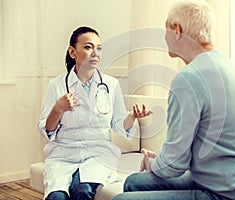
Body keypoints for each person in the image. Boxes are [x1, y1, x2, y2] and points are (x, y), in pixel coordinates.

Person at [112, 1, 235, 200]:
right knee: (133, 182)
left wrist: (154, 163)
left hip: (225, 193)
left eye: (166, 29)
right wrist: (161, 158)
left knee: (120, 199)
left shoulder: (189, 78)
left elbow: (173, 166)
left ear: (176, 30)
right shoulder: (234, 69)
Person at [37, 26, 152, 200]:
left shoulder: (111, 84)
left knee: (82, 190)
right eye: (88, 47)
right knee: (57, 197)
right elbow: (47, 130)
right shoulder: (57, 85)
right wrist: (58, 108)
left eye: (99, 48)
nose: (95, 53)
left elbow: (118, 124)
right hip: (63, 155)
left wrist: (132, 117)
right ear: (72, 52)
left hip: (99, 154)